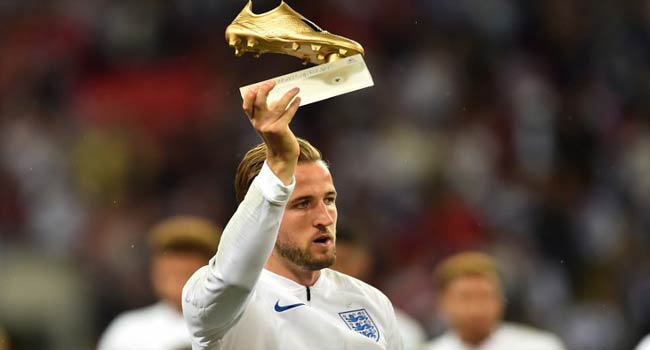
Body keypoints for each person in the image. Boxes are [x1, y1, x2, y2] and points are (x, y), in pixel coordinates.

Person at [182, 81, 402, 349]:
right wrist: (279, 165)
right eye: (302, 203)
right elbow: (230, 280)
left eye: (329, 200)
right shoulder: (216, 302)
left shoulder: (372, 303)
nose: (324, 217)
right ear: (266, 212)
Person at [98, 216, 222, 350]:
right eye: (170, 272)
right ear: (154, 272)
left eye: (185, 272)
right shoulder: (127, 332)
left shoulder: (232, 325)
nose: (177, 277)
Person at [423, 251, 565, 350]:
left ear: (500, 300)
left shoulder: (541, 346)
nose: (476, 308)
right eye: (465, 297)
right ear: (443, 302)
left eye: (485, 296)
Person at [331, 229, 427, 350]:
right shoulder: (302, 315)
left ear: (364, 262)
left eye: (344, 260)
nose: (336, 269)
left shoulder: (401, 328)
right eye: (329, 261)